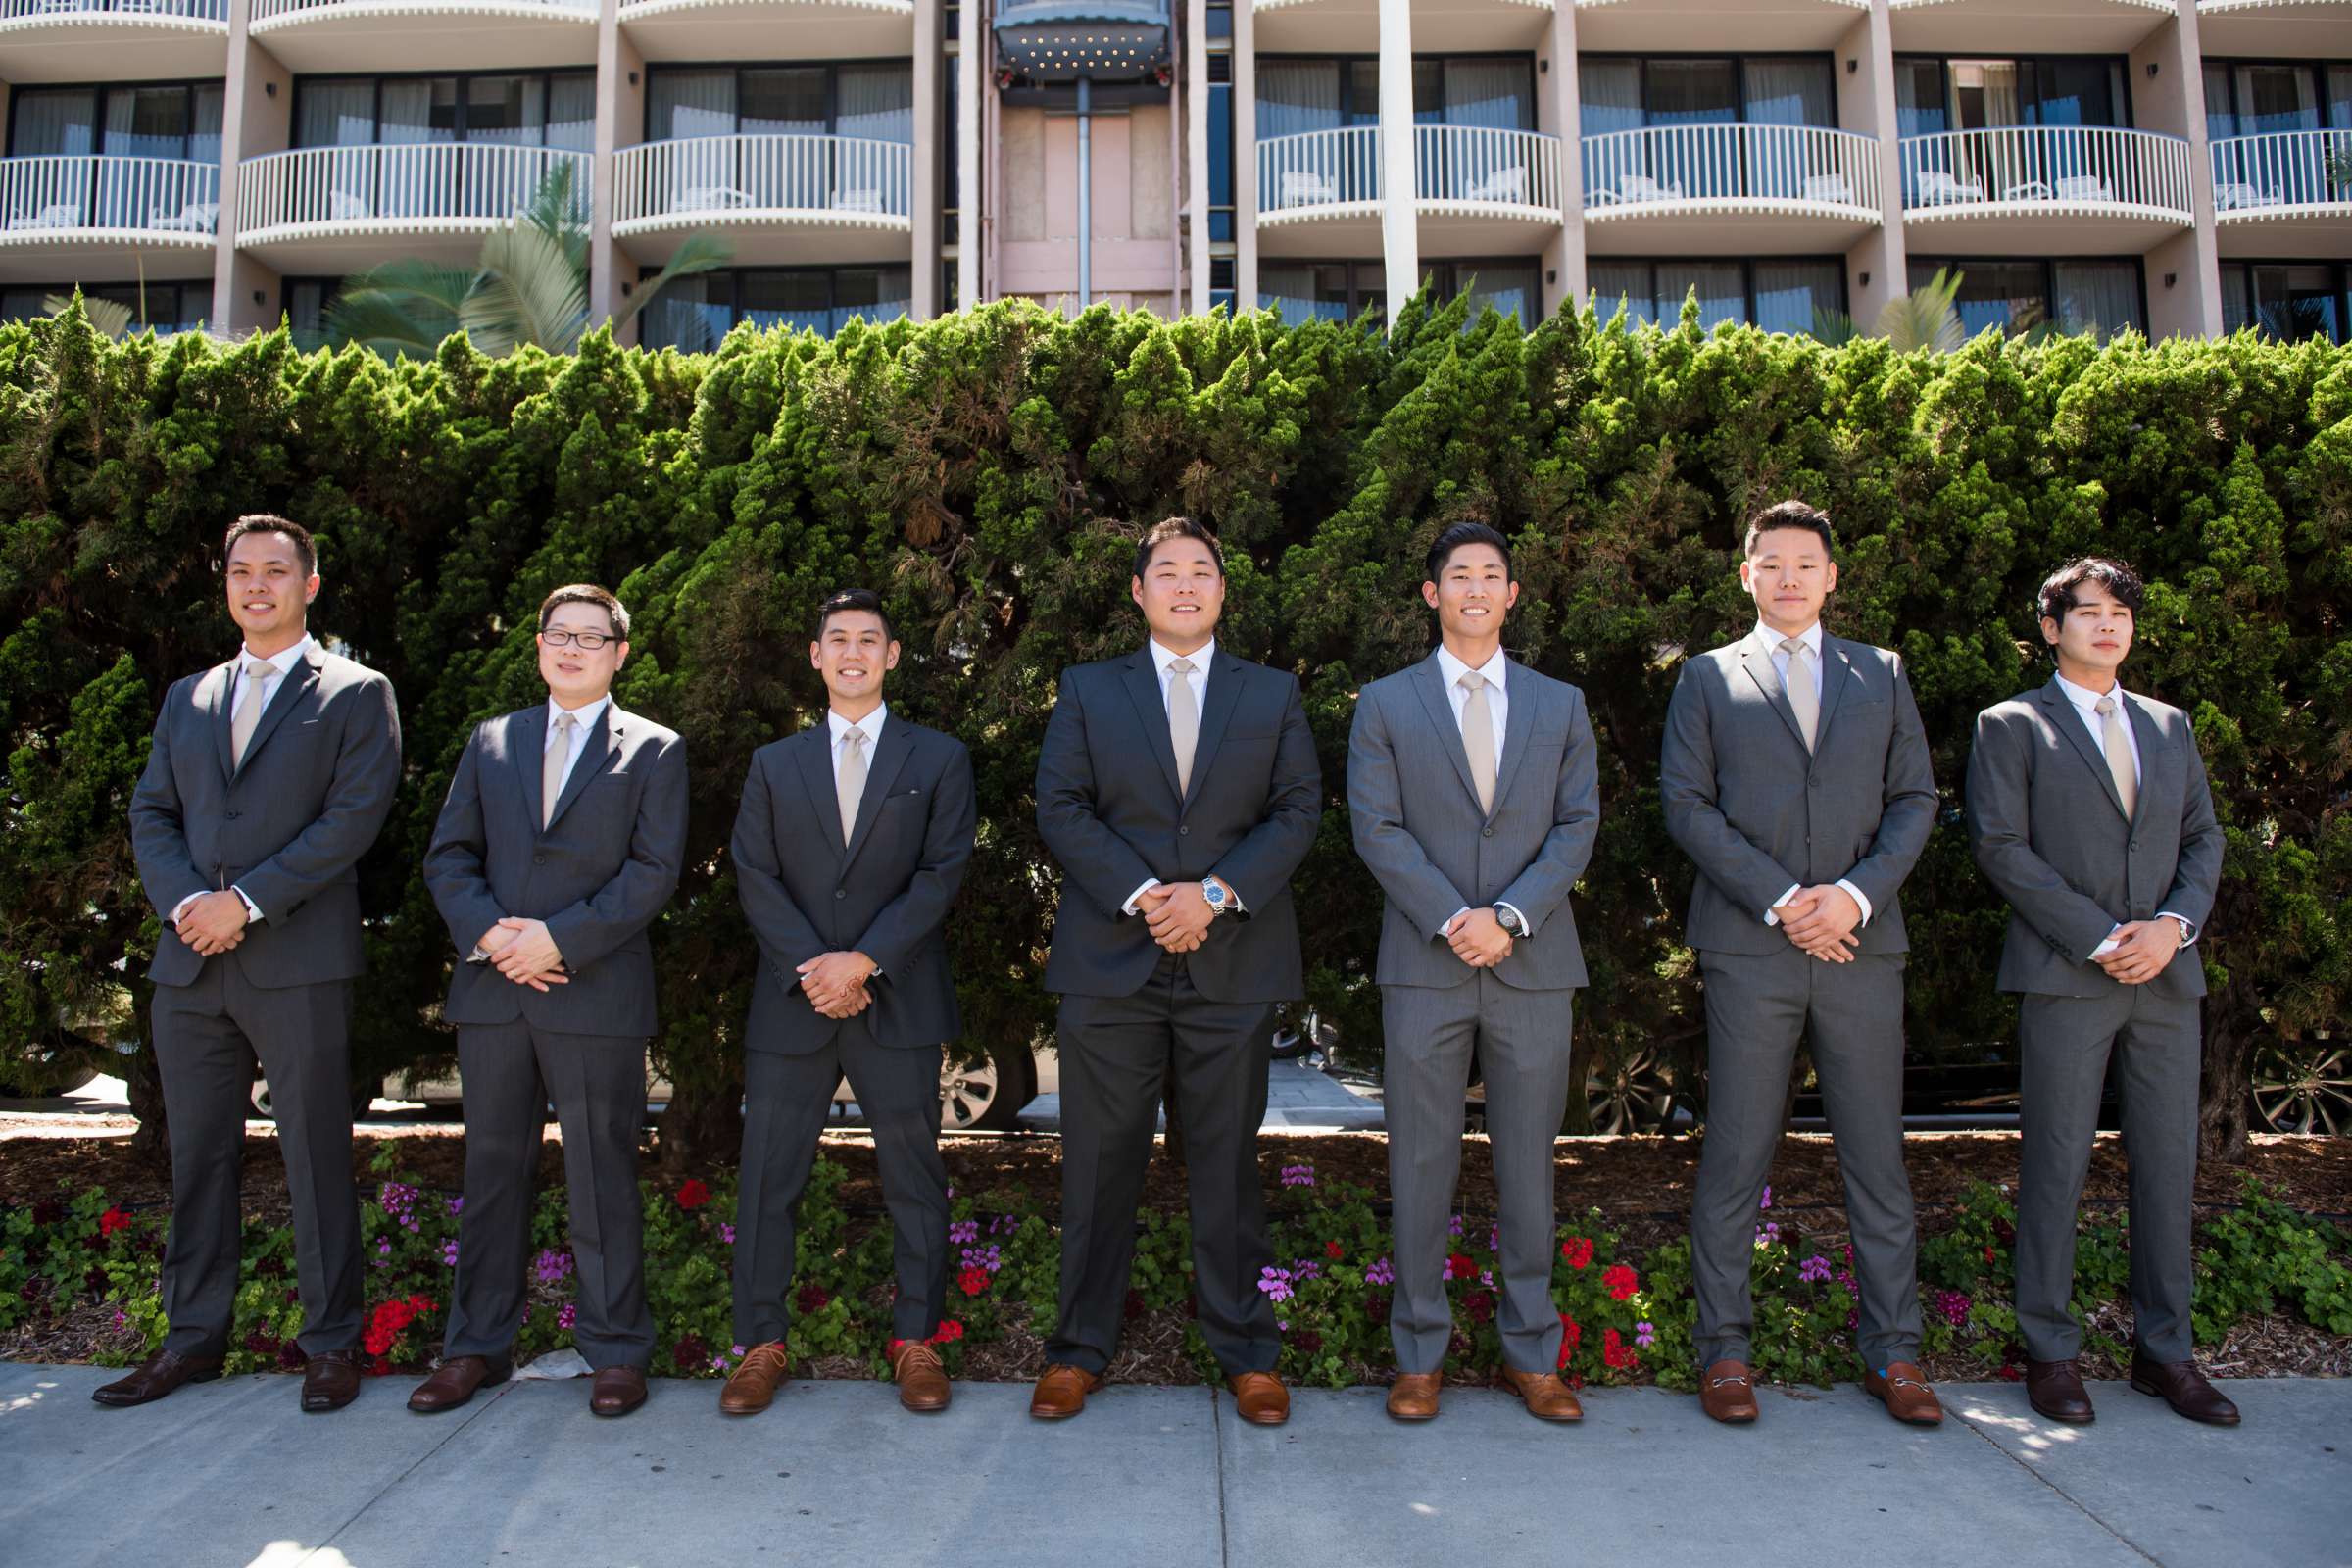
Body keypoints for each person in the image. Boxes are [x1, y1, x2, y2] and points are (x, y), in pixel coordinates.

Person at [1029, 516, 1321, 1424]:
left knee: (1227, 1166)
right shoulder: (1086, 689)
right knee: (1098, 1165)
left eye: (1202, 571)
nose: (1185, 585)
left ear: (1223, 591)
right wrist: (1154, 894)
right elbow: (1062, 806)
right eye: (1167, 572)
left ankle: (1247, 1354)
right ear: (1139, 591)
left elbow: (1298, 809)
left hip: (1232, 963)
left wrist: (1217, 894)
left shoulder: (1271, 694)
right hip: (1110, 962)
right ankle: (1078, 1351)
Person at [109, 514, 401, 1411]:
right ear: (226, 585)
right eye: (241, 572)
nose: (257, 586)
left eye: (277, 571)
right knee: (197, 1158)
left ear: (310, 586)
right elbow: (153, 813)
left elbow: (352, 819)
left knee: (314, 1152)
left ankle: (331, 1347)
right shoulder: (188, 697)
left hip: (297, 960)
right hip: (190, 965)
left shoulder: (355, 692)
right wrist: (187, 904)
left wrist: (248, 901)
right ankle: (191, 1340)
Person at [1660, 500, 1941, 1426]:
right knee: (1736, 1151)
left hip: (1861, 943)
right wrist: (1786, 901)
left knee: (1877, 1156)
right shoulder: (1706, 677)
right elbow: (1689, 806)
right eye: (1770, 563)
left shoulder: (1883, 672)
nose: (1788, 577)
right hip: (1752, 947)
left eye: (1805, 563)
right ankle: (1724, 1352)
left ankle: (1896, 1355)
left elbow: (1915, 799)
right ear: (1746, 575)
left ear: (1831, 576)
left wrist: (1851, 898)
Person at [1966, 556, 2235, 1427]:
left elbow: (2203, 839)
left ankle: (2166, 1354)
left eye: (2120, 611)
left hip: (2167, 976)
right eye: (2088, 612)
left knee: (2167, 1166)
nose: (2107, 625)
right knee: (2056, 1163)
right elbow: (2002, 846)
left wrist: (2172, 928)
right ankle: (2049, 1351)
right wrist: (2096, 936)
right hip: (2065, 977)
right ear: (2052, 628)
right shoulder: (2011, 724)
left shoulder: (2169, 725)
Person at [411, 584, 687, 1419]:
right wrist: (498, 938)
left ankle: (616, 1351)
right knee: (492, 1172)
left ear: (620, 653)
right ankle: (475, 1348)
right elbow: (449, 856)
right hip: (496, 992)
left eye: (591, 637)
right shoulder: (491, 740)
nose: (572, 648)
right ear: (537, 646)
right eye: (558, 635)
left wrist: (556, 940)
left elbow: (652, 873)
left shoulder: (655, 750)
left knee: (603, 1173)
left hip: (592, 991)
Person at [1346, 522, 1599, 1423]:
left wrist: (1512, 918)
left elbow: (1577, 825)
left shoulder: (1560, 704)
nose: (1477, 588)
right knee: (1420, 1163)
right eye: (1461, 576)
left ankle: (1535, 1355)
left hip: (1533, 964)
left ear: (1514, 593)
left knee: (1530, 1166)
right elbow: (1376, 828)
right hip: (1427, 964)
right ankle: (1419, 1356)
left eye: (1494, 574)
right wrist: (1458, 919)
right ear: (1432, 594)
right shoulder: (1384, 703)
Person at [719, 589, 977, 1416]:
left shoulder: (937, 759)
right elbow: (754, 875)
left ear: (894, 655)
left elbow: (941, 874)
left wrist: (862, 962)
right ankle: (759, 1342)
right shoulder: (773, 764)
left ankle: (918, 1340)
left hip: (895, 999)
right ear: (816, 655)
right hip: (792, 1001)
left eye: (871, 639)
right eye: (840, 639)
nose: (855, 652)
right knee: (768, 1179)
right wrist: (813, 967)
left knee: (914, 1177)